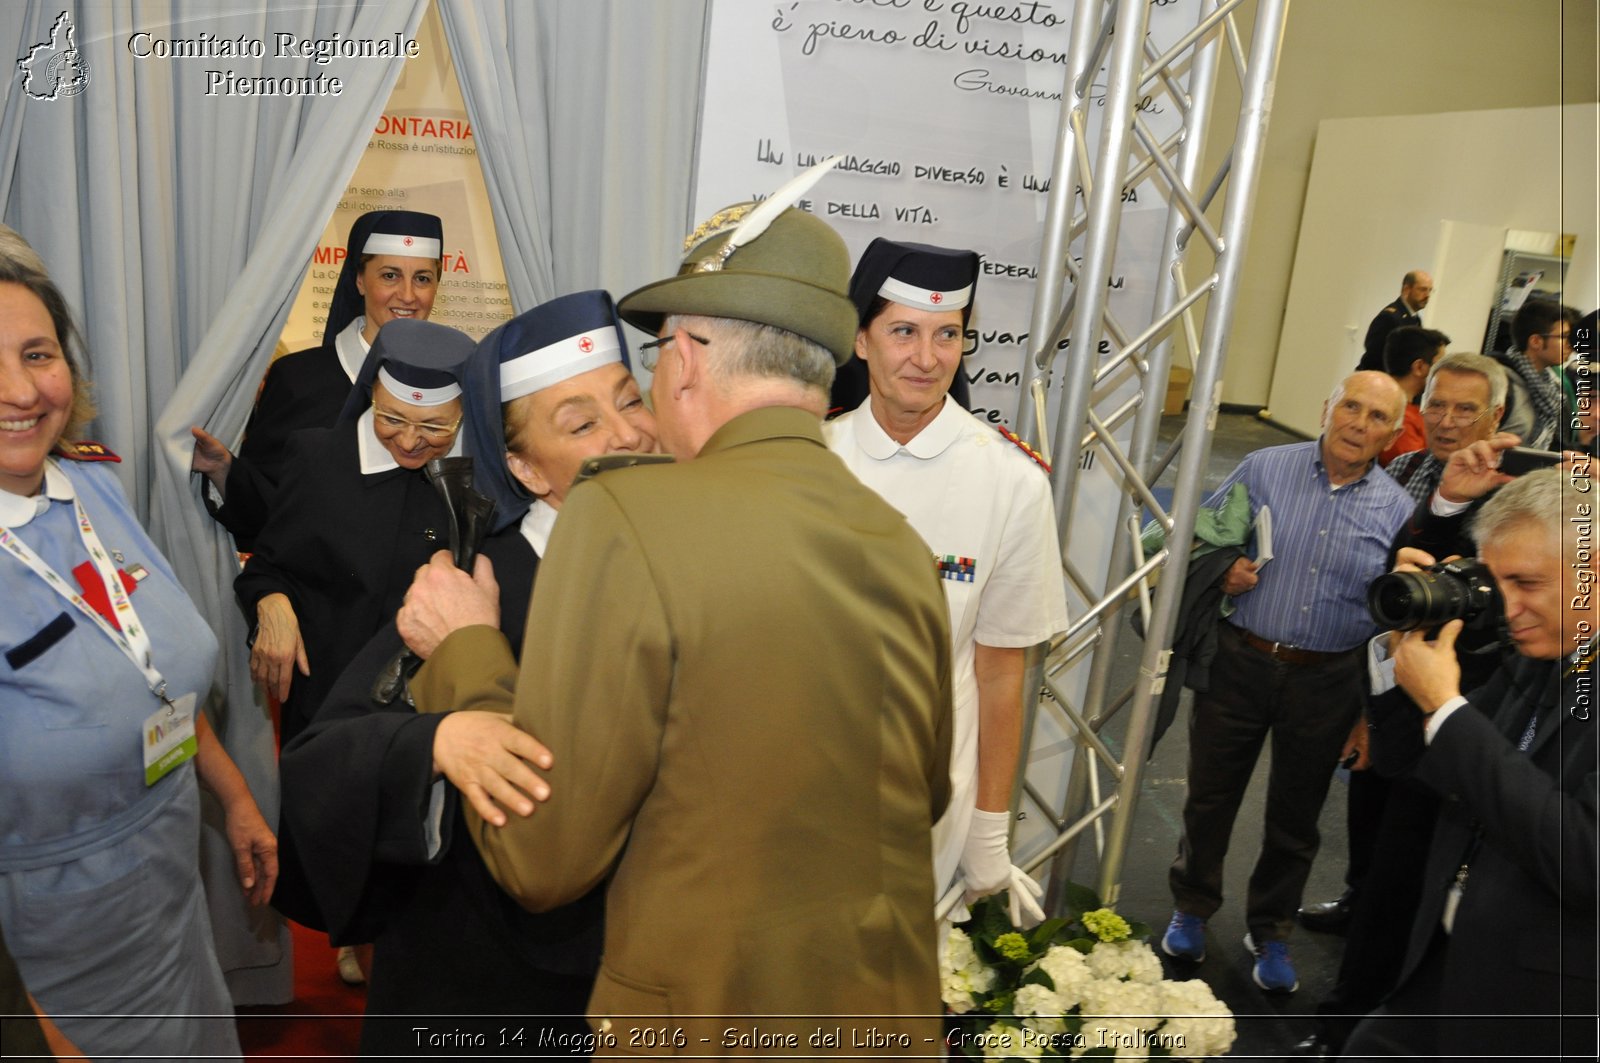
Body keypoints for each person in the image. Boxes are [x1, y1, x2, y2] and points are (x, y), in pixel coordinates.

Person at [397, 196, 953, 1051]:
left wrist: (469, 651)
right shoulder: (899, 545)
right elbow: (921, 794)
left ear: (687, 358)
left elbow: (542, 855)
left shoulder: (624, 516)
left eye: (654, 359)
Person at [279, 290, 654, 1055]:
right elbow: (321, 761)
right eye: (582, 424)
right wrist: (437, 742)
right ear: (523, 466)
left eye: (630, 400)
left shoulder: (680, 563)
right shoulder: (474, 588)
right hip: (482, 989)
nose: (631, 435)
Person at [0, 250, 276, 1059]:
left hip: (167, 886)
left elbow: (150, 675)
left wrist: (233, 795)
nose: (20, 392)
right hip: (52, 947)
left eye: (37, 354)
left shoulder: (93, 492)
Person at [824, 238, 1067, 925]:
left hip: (928, 811)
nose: (926, 358)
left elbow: (999, 674)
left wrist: (990, 829)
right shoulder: (810, 459)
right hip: (804, 791)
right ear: (860, 339)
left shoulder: (1012, 483)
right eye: (903, 331)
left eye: (947, 335)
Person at [1160, 371, 1412, 994]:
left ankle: (1270, 931)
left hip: (1330, 680)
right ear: (1328, 406)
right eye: (1350, 406)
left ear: (1391, 433)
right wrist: (1225, 573)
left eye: (1377, 416)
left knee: (1297, 816)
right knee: (1211, 796)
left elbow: (1390, 629)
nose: (1359, 423)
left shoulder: (1399, 510)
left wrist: (1367, 716)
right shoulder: (1264, 467)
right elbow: (1199, 539)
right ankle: (1191, 908)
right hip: (1240, 661)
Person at [1342, 468, 1597, 1060]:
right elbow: (1411, 763)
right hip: (1448, 966)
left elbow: (1587, 857)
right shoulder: (1541, 652)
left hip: (1546, 1007)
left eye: (1527, 582)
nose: (1507, 608)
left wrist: (1446, 707)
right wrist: (1395, 650)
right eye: (1494, 580)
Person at [234, 318, 476, 750]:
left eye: (436, 427)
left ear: (464, 416)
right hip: (322, 713)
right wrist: (271, 603)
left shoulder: (478, 486)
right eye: (392, 418)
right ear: (371, 395)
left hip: (430, 724)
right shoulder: (318, 457)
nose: (410, 440)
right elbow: (269, 567)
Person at [191, 210, 445, 549]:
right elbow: (268, 507)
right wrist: (223, 469)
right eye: (389, 275)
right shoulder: (298, 379)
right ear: (358, 280)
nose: (408, 295)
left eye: (423, 279)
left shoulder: (457, 385)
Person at [1495, 298, 1579, 451]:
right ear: (1536, 342)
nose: (1570, 345)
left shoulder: (1551, 387)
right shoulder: (1502, 383)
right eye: (1563, 337)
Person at [1376, 326, 1448, 466]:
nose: (1444, 374)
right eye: (1440, 366)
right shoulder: (1400, 419)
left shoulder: (1404, 411)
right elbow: (1416, 472)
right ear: (1419, 367)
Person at [1356, 270, 1431, 372]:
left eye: (1430, 290)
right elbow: (1373, 355)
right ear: (1406, 289)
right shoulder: (1389, 317)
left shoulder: (1415, 318)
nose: (1427, 295)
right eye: (1422, 289)